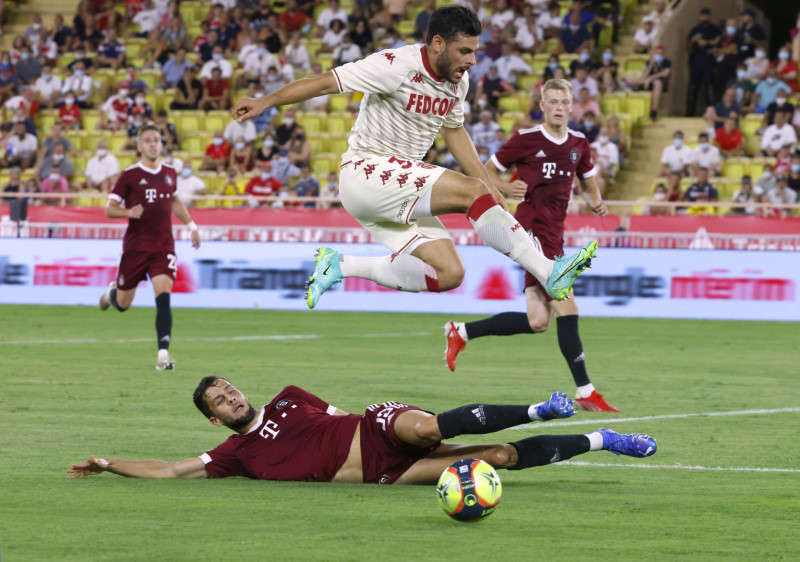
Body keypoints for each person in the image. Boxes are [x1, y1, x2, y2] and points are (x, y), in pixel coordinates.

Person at [232, 6, 597, 310]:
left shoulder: (458, 81)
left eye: (474, 51)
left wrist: (489, 186)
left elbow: (454, 131)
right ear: (437, 42)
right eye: (464, 51)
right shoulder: (396, 64)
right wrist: (266, 101)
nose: (472, 60)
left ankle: (341, 265)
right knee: (471, 192)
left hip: (397, 190)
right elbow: (327, 82)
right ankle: (549, 273)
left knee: (450, 273)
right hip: (365, 172)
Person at [69, 377, 657, 483]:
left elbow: (337, 418)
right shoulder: (232, 455)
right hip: (382, 477)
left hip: (377, 429)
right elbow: (170, 469)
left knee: (426, 429)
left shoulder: (288, 399)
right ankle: (604, 441)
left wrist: (383, 425)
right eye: (218, 400)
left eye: (228, 387)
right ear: (213, 418)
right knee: (497, 459)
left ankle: (540, 408)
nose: (229, 395)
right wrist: (107, 462)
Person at [443, 77, 615, 413]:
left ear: (572, 106)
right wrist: (505, 188)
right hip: (530, 232)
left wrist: (596, 200)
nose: (559, 108)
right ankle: (586, 390)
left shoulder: (579, 143)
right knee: (567, 305)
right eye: (553, 102)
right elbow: (485, 171)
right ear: (542, 106)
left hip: (554, 234)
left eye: (565, 103)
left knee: (538, 321)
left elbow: (587, 176)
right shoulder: (526, 140)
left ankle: (461, 331)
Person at [98, 125, 201, 371]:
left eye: (156, 140)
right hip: (135, 248)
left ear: (161, 144)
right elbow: (109, 208)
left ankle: (163, 355)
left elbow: (175, 200)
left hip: (163, 246)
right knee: (123, 305)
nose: (153, 144)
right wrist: (128, 212)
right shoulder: (129, 175)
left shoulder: (170, 173)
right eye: (148, 140)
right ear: (140, 146)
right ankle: (112, 293)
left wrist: (191, 224)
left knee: (163, 296)